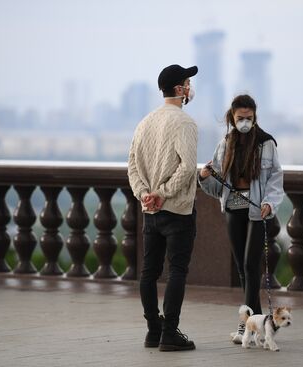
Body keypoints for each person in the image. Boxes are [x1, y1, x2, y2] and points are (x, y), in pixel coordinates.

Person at [198, 94, 284, 344]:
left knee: (249, 265)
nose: (244, 122)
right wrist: (204, 176)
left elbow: (276, 178)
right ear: (232, 118)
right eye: (240, 118)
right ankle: (257, 326)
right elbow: (217, 185)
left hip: (257, 211)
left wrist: (269, 203)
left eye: (249, 118)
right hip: (233, 209)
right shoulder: (225, 143)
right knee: (243, 269)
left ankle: (243, 325)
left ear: (255, 117)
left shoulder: (266, 144)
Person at [127, 64, 199, 352]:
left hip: (151, 213)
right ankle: (170, 332)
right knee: (177, 270)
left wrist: (146, 194)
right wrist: (164, 193)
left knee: (149, 273)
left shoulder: (144, 122)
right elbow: (188, 167)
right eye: (187, 83)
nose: (190, 88)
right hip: (177, 210)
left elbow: (132, 166)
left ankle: (152, 330)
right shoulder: (185, 123)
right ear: (180, 90)